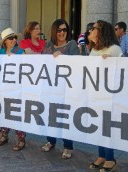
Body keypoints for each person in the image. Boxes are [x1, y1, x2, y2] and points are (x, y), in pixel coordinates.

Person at [41, 19, 79, 159]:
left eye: (64, 30)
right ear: (54, 31)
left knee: (64, 118)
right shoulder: (48, 44)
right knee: (51, 116)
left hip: (65, 89)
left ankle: (68, 146)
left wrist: (64, 57)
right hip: (50, 87)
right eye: (59, 30)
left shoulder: (72, 44)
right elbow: (41, 62)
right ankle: (51, 141)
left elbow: (77, 63)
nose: (62, 32)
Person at [88, 20, 123, 172]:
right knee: (99, 126)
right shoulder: (94, 49)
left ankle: (110, 158)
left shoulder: (114, 49)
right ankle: (101, 155)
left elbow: (124, 70)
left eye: (93, 28)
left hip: (110, 96)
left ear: (101, 32)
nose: (90, 30)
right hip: (96, 94)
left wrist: (111, 62)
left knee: (108, 126)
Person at [0, 27, 26, 151]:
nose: (13, 40)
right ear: (5, 41)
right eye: (10, 38)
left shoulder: (20, 51)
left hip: (16, 87)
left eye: (14, 38)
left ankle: (21, 138)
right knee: (4, 112)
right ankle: (4, 135)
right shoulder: (0, 52)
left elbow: (26, 66)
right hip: (4, 87)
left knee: (16, 112)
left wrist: (14, 58)